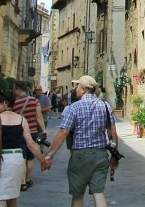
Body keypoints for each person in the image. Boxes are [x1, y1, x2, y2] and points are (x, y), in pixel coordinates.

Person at [44, 75, 119, 207]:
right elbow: (113, 132)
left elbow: (63, 132)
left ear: (83, 89)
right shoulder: (105, 106)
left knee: (78, 195)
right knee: (98, 193)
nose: (76, 89)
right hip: (100, 155)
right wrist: (115, 156)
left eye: (78, 86)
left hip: (80, 156)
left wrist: (50, 154)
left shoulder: (74, 108)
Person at [0, 91, 49, 207]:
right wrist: (43, 160)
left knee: (0, 197)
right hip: (17, 160)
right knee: (12, 196)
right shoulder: (21, 120)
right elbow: (30, 144)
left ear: (5, 103)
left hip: (0, 161)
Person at [12, 80, 46, 191]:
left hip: (19, 133)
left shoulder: (14, 102)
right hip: (32, 132)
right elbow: (39, 116)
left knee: (22, 158)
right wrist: (43, 130)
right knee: (30, 159)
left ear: (17, 89)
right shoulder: (35, 101)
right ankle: (27, 180)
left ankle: (22, 183)